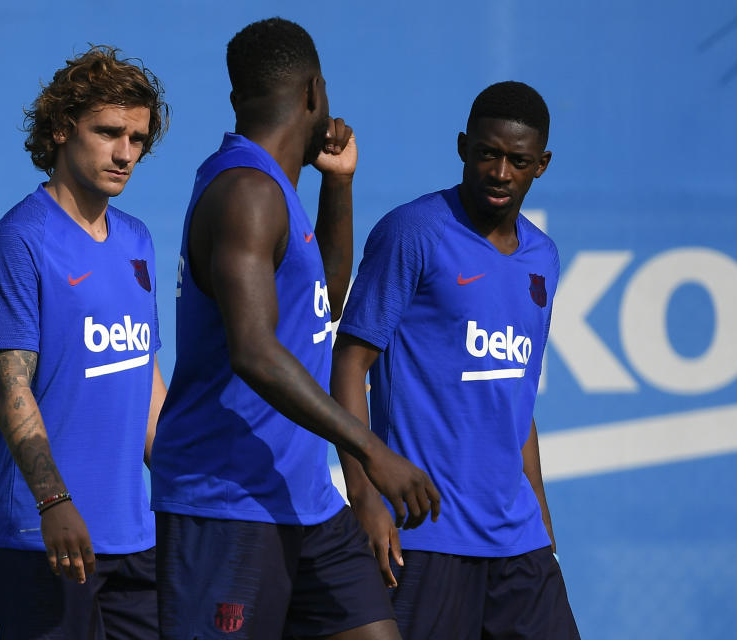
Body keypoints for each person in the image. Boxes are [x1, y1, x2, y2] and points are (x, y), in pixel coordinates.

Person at [149, 17, 439, 640]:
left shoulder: (278, 189)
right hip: (225, 502)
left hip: (303, 499)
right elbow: (255, 352)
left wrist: (338, 186)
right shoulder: (246, 192)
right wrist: (372, 451)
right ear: (315, 92)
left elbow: (323, 301)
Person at [330, 81, 580, 638]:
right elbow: (349, 363)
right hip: (425, 536)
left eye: (517, 160)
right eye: (488, 153)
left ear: (541, 165)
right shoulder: (413, 232)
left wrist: (540, 517)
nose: (499, 172)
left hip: (520, 544)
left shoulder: (544, 257)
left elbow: (516, 402)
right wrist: (365, 497)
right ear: (463, 146)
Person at [0, 45, 169, 639]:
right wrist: (53, 502)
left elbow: (146, 381)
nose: (125, 153)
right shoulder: (19, 241)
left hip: (134, 535)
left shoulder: (136, 238)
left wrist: (186, 488)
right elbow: (10, 388)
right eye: (109, 133)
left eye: (137, 138)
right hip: (43, 534)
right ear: (61, 129)